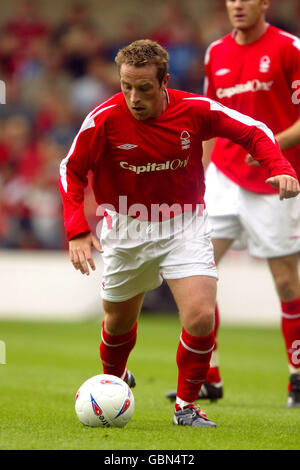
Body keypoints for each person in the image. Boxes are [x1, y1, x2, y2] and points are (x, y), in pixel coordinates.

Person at [59, 39, 299, 427]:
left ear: (165, 82)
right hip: (126, 227)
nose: (134, 98)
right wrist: (76, 231)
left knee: (201, 316)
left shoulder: (194, 110)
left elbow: (252, 130)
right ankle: (115, 379)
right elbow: (71, 170)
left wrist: (279, 164)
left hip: (183, 224)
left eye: (144, 88)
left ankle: (186, 406)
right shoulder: (103, 119)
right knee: (118, 323)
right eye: (126, 87)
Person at [167, 0, 300, 408]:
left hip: (274, 179)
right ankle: (208, 376)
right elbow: (208, 118)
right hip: (223, 176)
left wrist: (266, 145)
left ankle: (298, 376)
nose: (238, 5)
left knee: (286, 282)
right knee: (195, 272)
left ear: (265, 4)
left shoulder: (289, 48)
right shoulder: (215, 53)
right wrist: (197, 174)